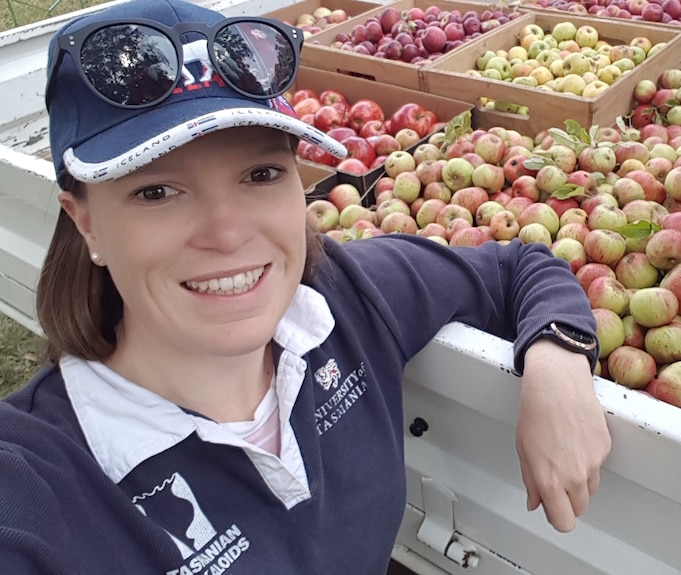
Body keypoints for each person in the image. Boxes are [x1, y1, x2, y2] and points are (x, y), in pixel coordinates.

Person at [0, 0, 611, 572]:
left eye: (261, 173)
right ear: (85, 223)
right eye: (156, 191)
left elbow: (515, 267)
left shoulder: (342, 300)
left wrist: (559, 363)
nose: (228, 232)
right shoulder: (38, 487)